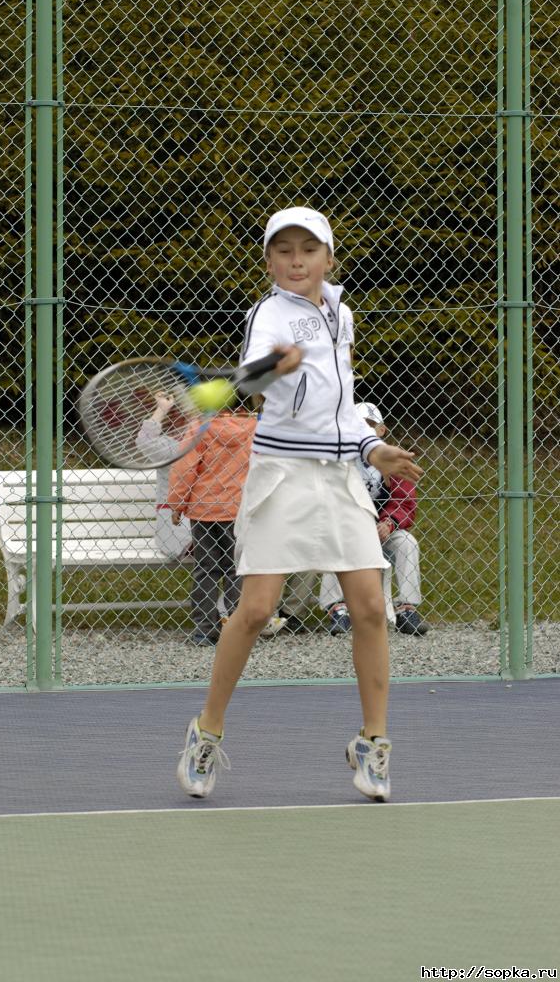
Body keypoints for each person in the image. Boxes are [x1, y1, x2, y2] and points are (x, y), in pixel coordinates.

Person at [176, 205, 423, 803]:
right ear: (269, 261)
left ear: (328, 259)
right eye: (283, 250)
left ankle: (373, 741)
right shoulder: (267, 314)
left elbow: (338, 404)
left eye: (307, 250)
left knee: (368, 606)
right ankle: (206, 732)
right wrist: (270, 365)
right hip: (282, 474)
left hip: (340, 474)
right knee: (256, 610)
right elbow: (251, 379)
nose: (295, 260)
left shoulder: (341, 312)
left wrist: (373, 447)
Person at [322, 401, 429, 637]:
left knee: (406, 542)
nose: (365, 429)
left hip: (382, 528)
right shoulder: (339, 458)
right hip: (348, 528)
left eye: (371, 424)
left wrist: (389, 522)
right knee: (334, 539)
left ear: (382, 430)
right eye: (359, 424)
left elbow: (404, 500)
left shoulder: (389, 459)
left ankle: (406, 609)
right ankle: (338, 610)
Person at [168, 404, 256, 646]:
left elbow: (184, 467)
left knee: (205, 569)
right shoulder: (255, 426)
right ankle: (239, 628)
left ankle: (205, 629)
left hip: (204, 508)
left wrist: (177, 503)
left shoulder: (200, 427)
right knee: (236, 569)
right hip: (238, 508)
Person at [135, 392, 192, 559]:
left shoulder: (212, 439)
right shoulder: (170, 447)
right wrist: (161, 410)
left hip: (215, 523)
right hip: (179, 534)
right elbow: (144, 441)